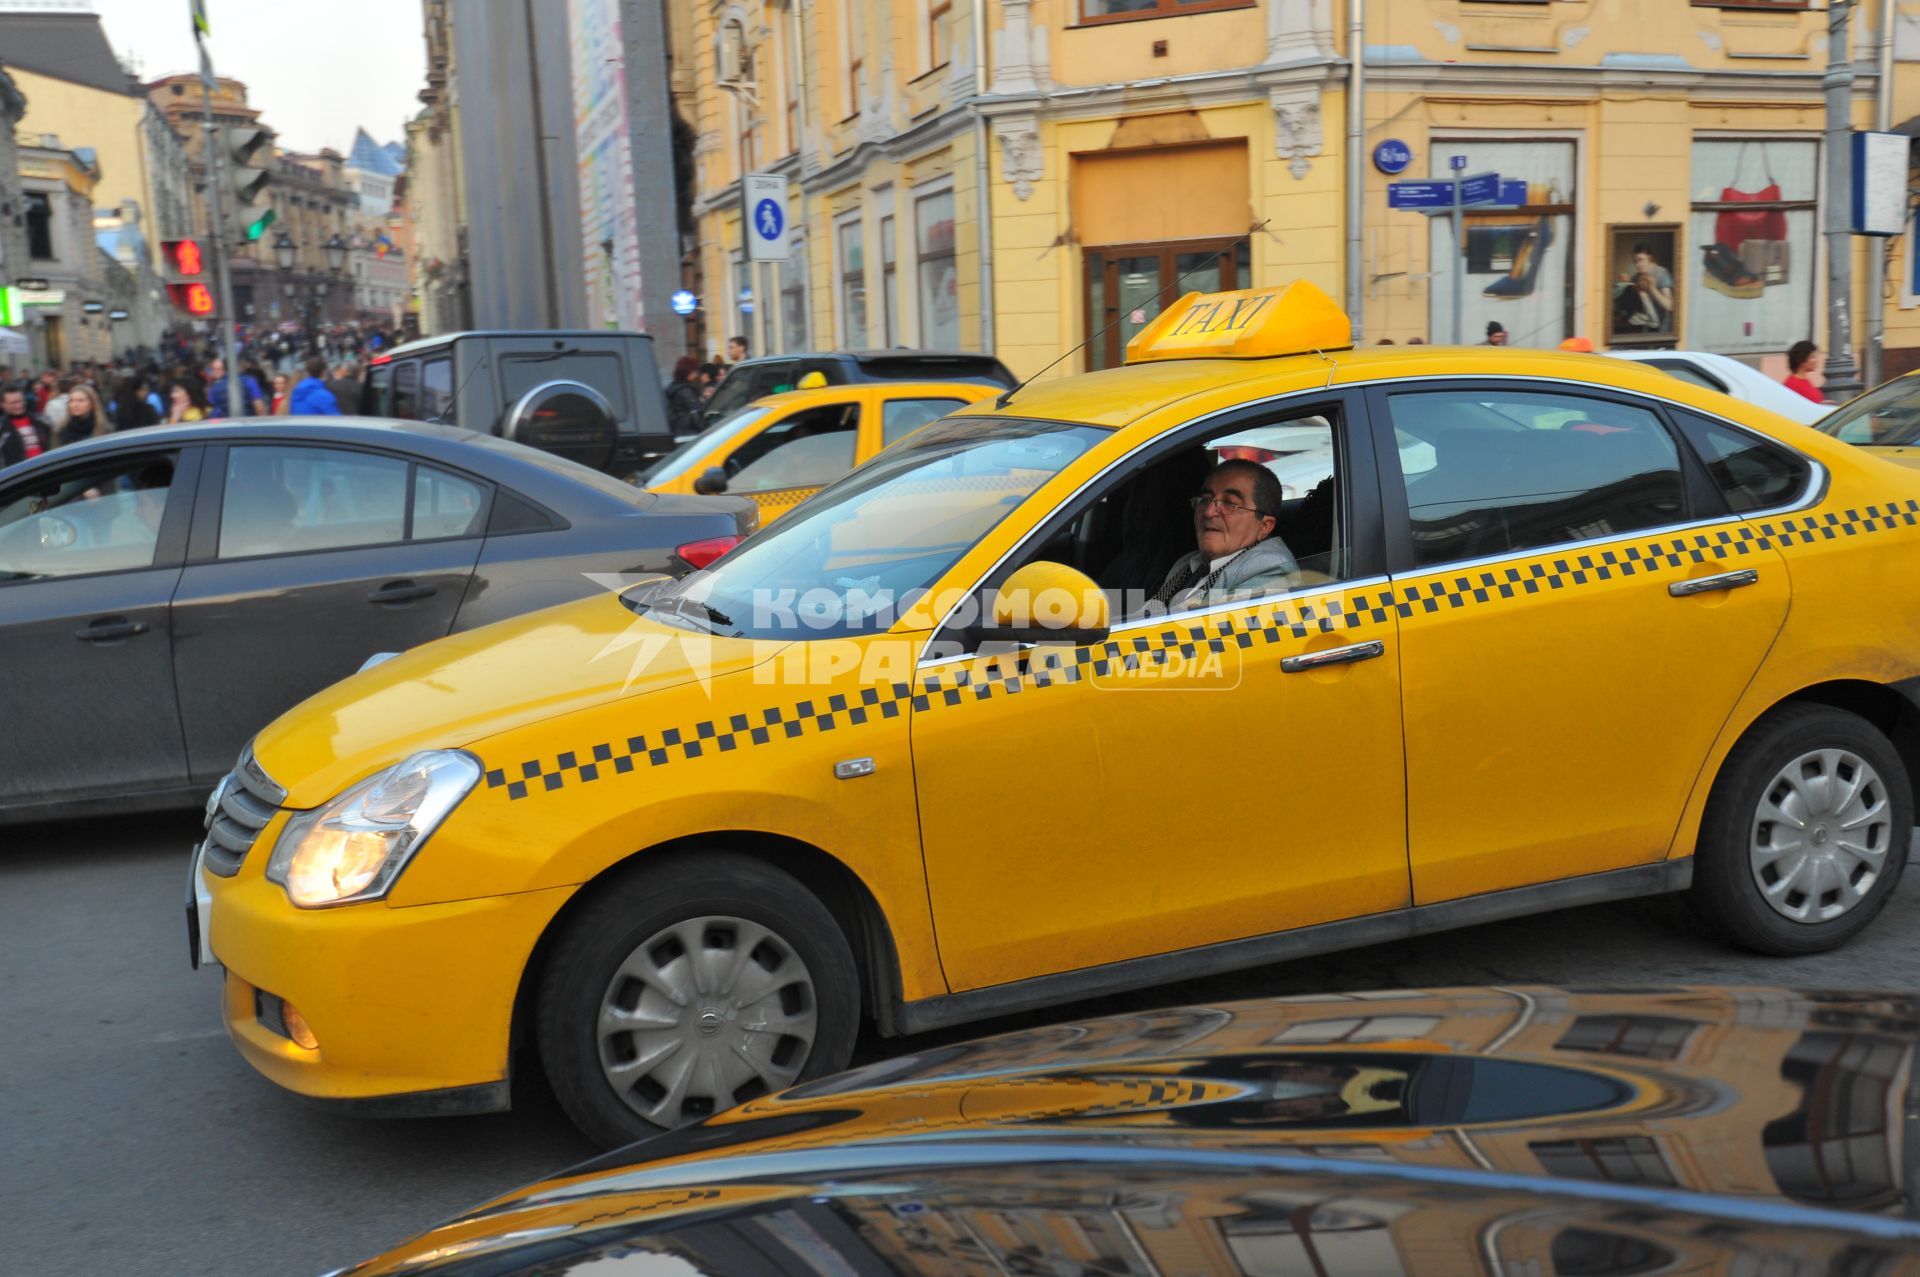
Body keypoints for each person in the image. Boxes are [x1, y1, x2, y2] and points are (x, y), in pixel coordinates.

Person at [1148, 459, 1298, 612]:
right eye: (1205, 500)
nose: (1208, 511)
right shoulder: (1186, 564)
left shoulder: (1270, 570)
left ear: (1264, 527)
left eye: (1230, 503)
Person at [1612, 241, 1675, 335]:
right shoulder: (1637, 276)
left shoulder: (1662, 274)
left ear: (1650, 258)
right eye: (1635, 262)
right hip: (1645, 331)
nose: (1637, 265)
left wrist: (1652, 289)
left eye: (1640, 260)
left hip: (1662, 332)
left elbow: (1670, 306)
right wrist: (1625, 284)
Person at [1, 384, 53, 467]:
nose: (18, 406)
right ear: (2, 404)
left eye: (20, 401)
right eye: (13, 403)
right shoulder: (2, 428)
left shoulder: (42, 421)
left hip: (45, 470)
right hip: (18, 475)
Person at [666, 355, 705, 436]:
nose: (696, 375)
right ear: (688, 372)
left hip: (678, 433)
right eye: (695, 371)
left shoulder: (674, 388)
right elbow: (696, 416)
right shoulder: (686, 391)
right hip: (689, 434)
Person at [1783, 340, 1824, 405]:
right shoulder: (1793, 384)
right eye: (1812, 357)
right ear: (1802, 360)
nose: (1816, 360)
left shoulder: (1805, 381)